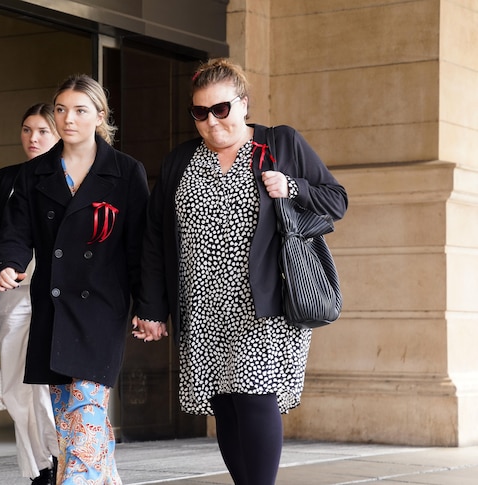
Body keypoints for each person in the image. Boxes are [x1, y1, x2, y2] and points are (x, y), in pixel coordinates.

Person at [131, 58, 348, 485]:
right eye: (200, 112)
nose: (212, 121)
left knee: (254, 396)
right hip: (202, 305)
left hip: (263, 304)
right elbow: (155, 238)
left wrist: (294, 187)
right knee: (226, 403)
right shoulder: (179, 162)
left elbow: (336, 200)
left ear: (243, 104)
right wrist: (152, 306)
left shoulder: (280, 143)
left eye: (222, 109)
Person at [0, 75, 149, 485]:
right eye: (61, 109)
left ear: (100, 116)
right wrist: (8, 263)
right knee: (73, 420)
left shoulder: (126, 173)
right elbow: (15, 230)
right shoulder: (34, 174)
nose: (68, 119)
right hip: (54, 309)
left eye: (80, 110)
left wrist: (149, 308)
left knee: (85, 410)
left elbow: (141, 248)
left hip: (102, 310)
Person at [0, 103, 62, 484]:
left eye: (43, 130)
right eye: (27, 130)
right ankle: (37, 469)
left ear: (60, 132)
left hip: (57, 295)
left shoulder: (73, 176)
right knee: (16, 387)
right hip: (12, 293)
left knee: (44, 386)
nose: (33, 138)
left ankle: (55, 459)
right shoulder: (5, 179)